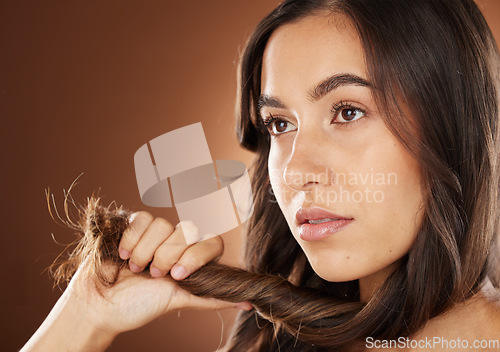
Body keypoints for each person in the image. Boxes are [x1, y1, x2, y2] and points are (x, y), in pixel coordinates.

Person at [21, 0, 500, 351]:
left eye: (348, 112)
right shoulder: (277, 340)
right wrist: (87, 313)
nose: (294, 170)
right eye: (280, 124)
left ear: (452, 127)